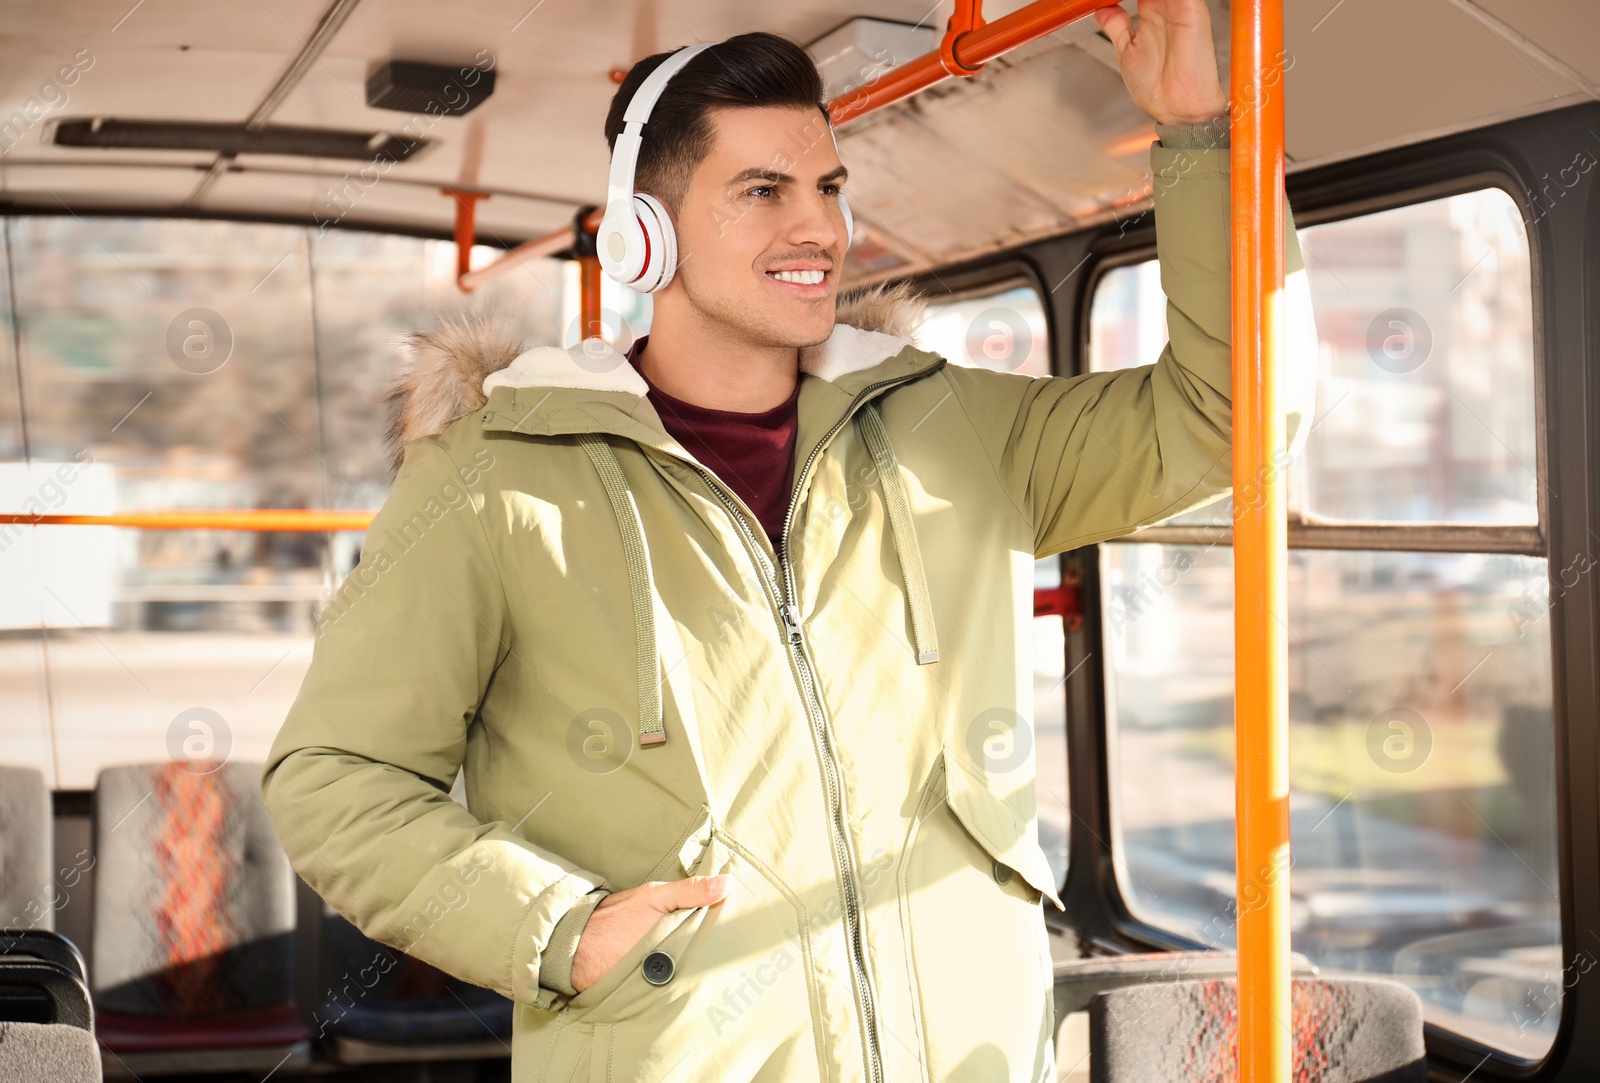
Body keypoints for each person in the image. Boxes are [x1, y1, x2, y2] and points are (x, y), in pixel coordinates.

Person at [263, 2, 1314, 1079]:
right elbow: (336, 777)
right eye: (762, 191)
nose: (815, 227)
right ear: (646, 234)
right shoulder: (492, 480)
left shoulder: (953, 429)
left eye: (828, 189)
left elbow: (1233, 420)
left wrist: (1203, 135)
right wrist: (561, 931)